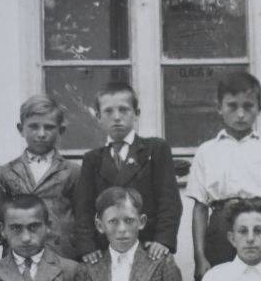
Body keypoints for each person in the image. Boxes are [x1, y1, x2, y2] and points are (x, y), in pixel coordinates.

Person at [186, 71, 261, 281]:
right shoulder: (207, 151)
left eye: (248, 106)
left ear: (260, 108)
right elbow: (199, 207)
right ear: (219, 107)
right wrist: (199, 256)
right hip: (220, 231)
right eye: (232, 106)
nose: (241, 114)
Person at [68, 82, 182, 261]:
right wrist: (87, 248)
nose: (116, 117)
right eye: (108, 111)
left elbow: (169, 201)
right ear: (98, 117)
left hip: (149, 247)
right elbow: (84, 209)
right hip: (105, 249)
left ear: (136, 114)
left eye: (124, 110)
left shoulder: (155, 149)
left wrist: (163, 241)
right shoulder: (92, 159)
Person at [0, 93, 81, 261]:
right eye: (33, 127)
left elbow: (82, 219)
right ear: (20, 129)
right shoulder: (6, 172)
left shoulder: (73, 171)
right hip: (19, 255)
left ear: (61, 130)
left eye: (48, 127)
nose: (41, 134)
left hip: (62, 256)